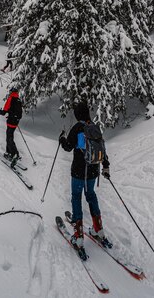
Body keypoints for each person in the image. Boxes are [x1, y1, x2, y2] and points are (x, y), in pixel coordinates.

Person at [59, 102, 110, 249]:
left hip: (79, 171)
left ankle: (78, 236)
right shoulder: (94, 127)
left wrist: (61, 139)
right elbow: (102, 149)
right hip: (93, 171)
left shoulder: (77, 128)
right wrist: (106, 166)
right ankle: (98, 229)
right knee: (91, 195)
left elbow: (68, 147)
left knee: (76, 197)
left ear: (77, 114)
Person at [0, 87, 23, 165]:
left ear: (12, 92)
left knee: (9, 137)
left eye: (10, 92)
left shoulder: (11, 99)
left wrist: (0, 111)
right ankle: (8, 152)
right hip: (15, 122)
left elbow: (4, 110)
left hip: (11, 121)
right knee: (10, 136)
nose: (9, 93)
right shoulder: (18, 100)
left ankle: (14, 153)